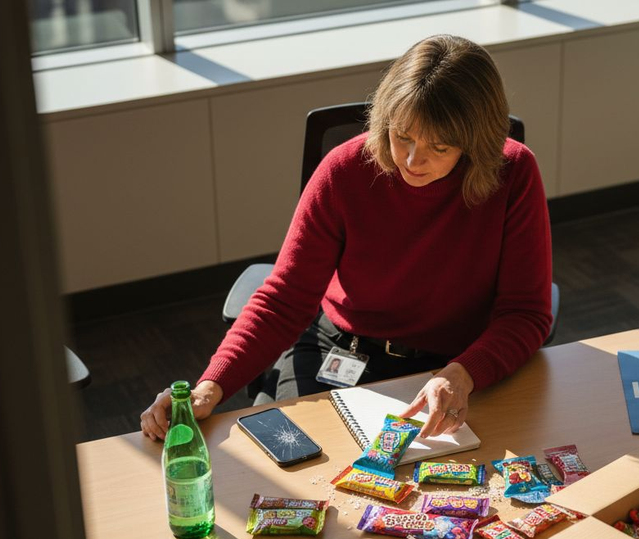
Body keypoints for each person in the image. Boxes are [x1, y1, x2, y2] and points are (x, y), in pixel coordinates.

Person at [140, 34, 552, 442]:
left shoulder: (513, 173)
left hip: (455, 364)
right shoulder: (345, 170)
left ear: (475, 143)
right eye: (402, 136)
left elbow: (526, 313)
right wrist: (209, 387)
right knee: (292, 455)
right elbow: (285, 300)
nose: (412, 160)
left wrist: (464, 373)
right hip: (342, 348)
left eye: (439, 147)